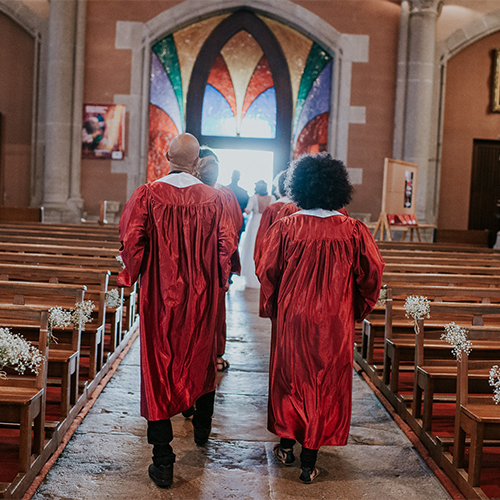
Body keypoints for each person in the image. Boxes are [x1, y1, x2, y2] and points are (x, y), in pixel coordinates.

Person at [256, 153, 384, 483]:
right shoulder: (353, 230)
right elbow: (372, 274)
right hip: (334, 321)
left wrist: (272, 307)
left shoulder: (286, 227)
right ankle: (309, 460)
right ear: (337, 187)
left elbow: (267, 272)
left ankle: (286, 445)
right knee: (324, 382)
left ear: (301, 186)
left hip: (293, 317)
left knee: (290, 378)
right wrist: (359, 307)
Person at [117, 133, 236, 489]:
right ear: (197, 162)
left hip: (160, 296)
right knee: (201, 357)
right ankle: (202, 428)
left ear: (166, 156)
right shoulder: (216, 199)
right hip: (201, 297)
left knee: (158, 367)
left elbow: (131, 241)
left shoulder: (148, 194)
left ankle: (163, 460)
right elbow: (225, 246)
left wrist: (130, 275)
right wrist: (219, 283)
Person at [197, 147, 243, 372]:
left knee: (210, 313)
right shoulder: (223, 194)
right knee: (213, 312)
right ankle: (214, 357)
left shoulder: (219, 193)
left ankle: (207, 356)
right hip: (214, 263)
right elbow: (233, 229)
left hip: (199, 264)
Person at [240, 180, 275, 288]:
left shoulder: (254, 198)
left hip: (255, 223)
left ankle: (251, 276)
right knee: (263, 249)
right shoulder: (272, 198)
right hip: (266, 223)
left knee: (252, 249)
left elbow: (248, 211)